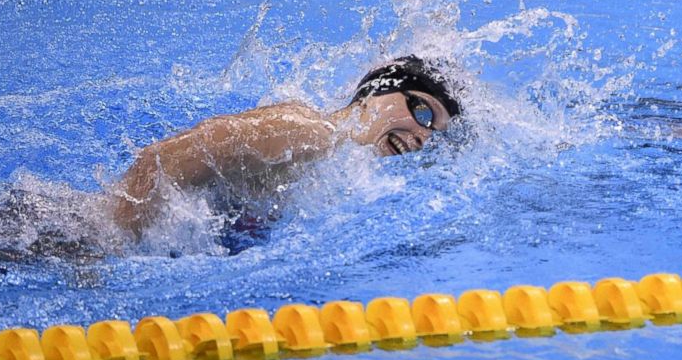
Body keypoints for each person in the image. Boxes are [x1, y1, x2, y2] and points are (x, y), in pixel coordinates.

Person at [109, 55, 462, 239]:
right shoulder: (310, 132)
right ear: (382, 88)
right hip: (94, 238)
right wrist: (118, 244)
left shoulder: (338, 165)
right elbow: (162, 160)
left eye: (436, 134)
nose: (423, 136)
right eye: (423, 112)